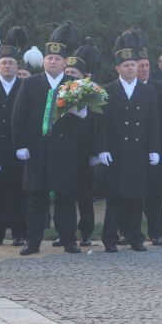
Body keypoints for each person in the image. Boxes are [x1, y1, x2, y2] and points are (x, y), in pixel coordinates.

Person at [11, 22, 89, 255]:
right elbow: (19, 116)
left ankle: (68, 240)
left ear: (65, 63)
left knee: (66, 197)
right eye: (49, 58)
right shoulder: (30, 83)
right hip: (37, 148)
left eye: (57, 59)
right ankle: (33, 241)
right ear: (44, 61)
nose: (53, 62)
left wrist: (80, 110)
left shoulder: (73, 85)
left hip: (65, 149)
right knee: (37, 198)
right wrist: (20, 145)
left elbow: (84, 119)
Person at [97, 35, 160, 253]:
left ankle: (136, 238)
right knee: (114, 198)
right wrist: (102, 149)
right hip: (115, 151)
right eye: (126, 65)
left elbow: (153, 122)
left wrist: (155, 149)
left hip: (138, 151)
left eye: (133, 64)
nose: (131, 68)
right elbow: (101, 124)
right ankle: (110, 238)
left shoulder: (148, 91)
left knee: (136, 198)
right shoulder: (107, 90)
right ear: (118, 68)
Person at [132, 29, 162, 245]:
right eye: (140, 66)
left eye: (147, 65)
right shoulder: (126, 87)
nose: (144, 69)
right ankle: (129, 231)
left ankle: (156, 232)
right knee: (131, 193)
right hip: (132, 148)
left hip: (154, 148)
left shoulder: (160, 88)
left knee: (154, 194)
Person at [59, 38, 102, 247]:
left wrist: (95, 152)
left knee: (84, 195)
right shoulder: (58, 93)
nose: (69, 76)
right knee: (64, 195)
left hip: (84, 152)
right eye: (67, 72)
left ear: (84, 76)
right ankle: (64, 232)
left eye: (73, 73)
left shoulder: (93, 95)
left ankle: (86, 232)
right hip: (63, 152)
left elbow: (97, 126)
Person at [0, 44, 26, 248]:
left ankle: (19, 232)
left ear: (17, 66)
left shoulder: (25, 86)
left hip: (18, 147)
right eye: (4, 63)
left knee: (19, 191)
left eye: (11, 63)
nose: (7, 66)